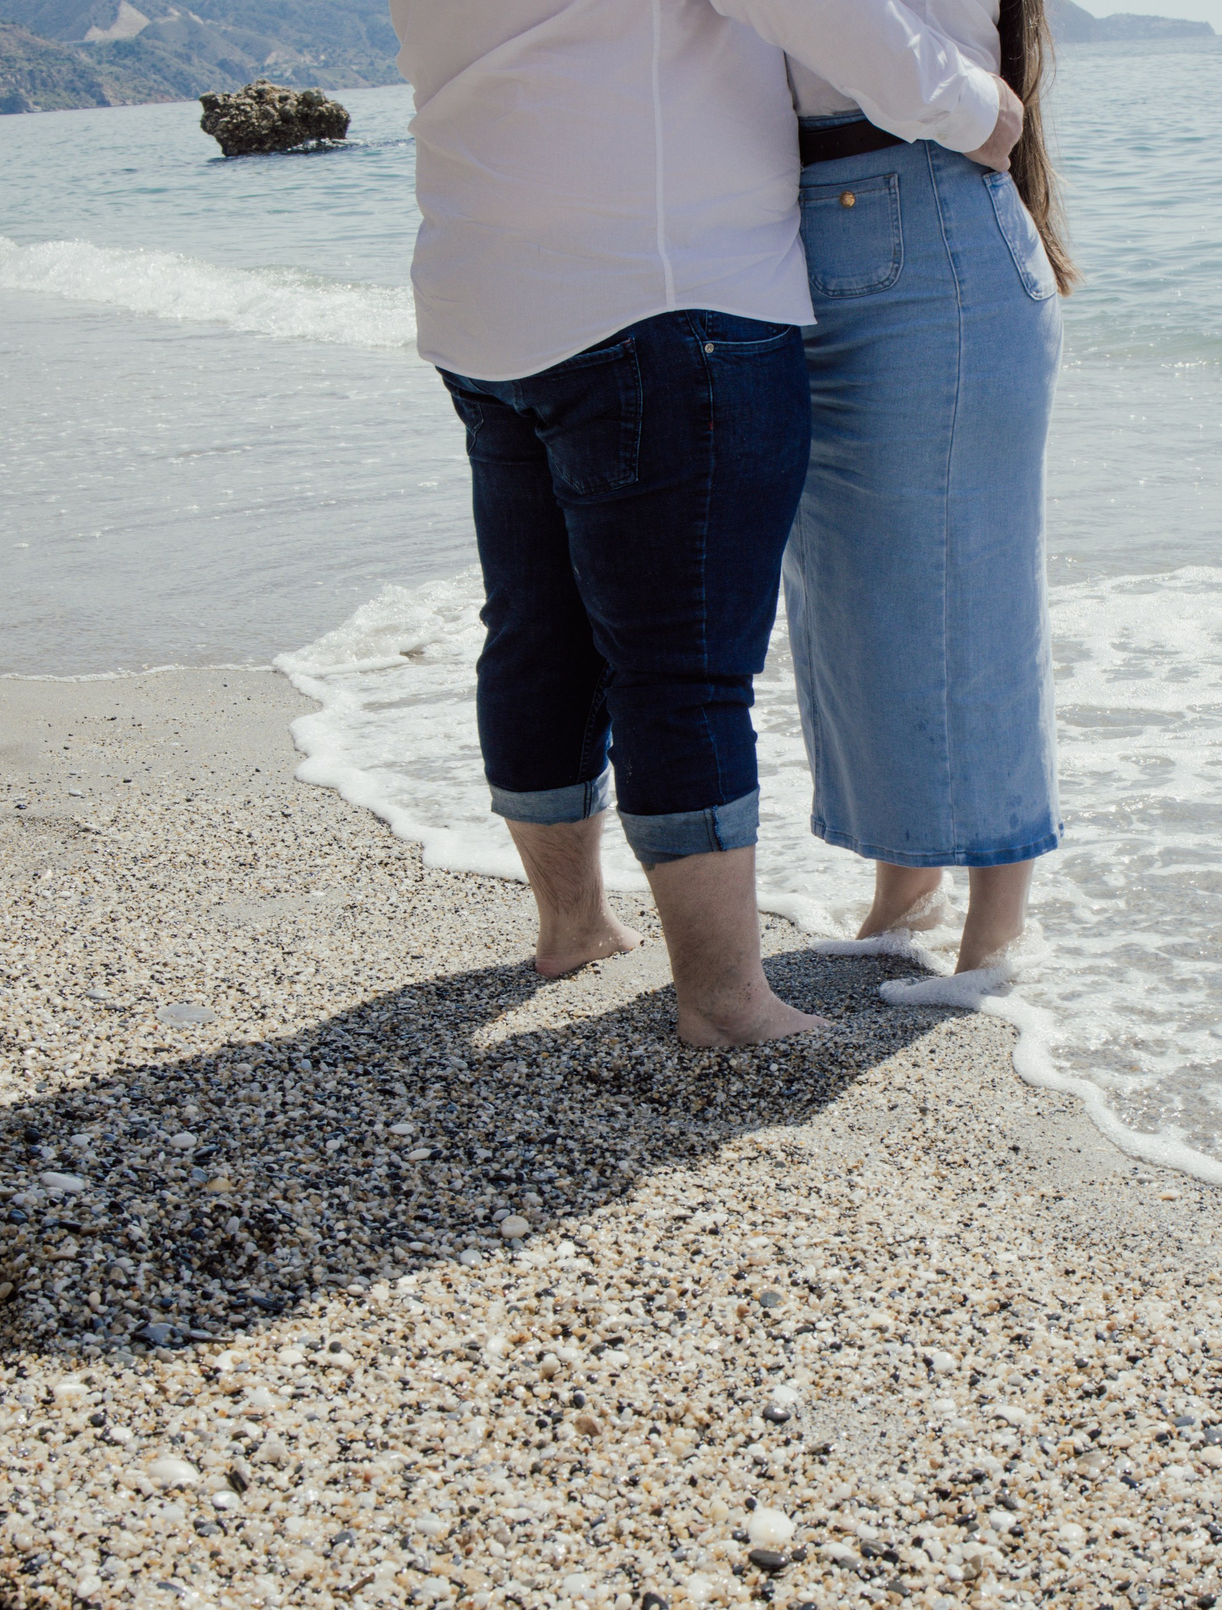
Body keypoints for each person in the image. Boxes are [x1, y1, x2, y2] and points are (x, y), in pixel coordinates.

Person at [386, 0, 1025, 1046]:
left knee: (537, 631)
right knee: (682, 668)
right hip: (663, 290)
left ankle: (573, 925)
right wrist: (972, 110)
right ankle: (725, 1000)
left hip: (480, 296)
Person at [782, 0, 1072, 975]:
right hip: (798, 236)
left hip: (931, 234)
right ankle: (905, 888)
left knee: (975, 596)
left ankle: (999, 926)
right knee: (847, 598)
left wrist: (969, 109)